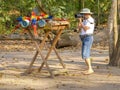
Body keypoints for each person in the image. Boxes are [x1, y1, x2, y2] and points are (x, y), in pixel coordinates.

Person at [77, 8, 95, 75]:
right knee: (84, 54)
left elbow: (85, 28)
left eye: (84, 14)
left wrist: (81, 22)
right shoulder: (85, 20)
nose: (83, 15)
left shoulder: (90, 20)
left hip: (88, 37)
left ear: (87, 14)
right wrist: (80, 21)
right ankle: (89, 68)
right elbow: (79, 27)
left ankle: (90, 69)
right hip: (84, 38)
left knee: (85, 54)